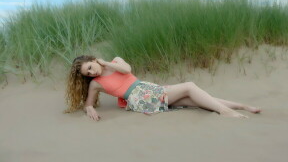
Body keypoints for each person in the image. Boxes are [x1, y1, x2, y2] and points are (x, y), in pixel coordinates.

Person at [64, 55, 261, 121]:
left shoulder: (115, 61)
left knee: (193, 99)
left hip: (148, 89)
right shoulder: (97, 84)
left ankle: (241, 106)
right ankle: (225, 111)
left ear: (93, 59)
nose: (91, 73)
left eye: (90, 67)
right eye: (87, 74)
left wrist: (106, 63)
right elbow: (88, 103)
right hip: (140, 98)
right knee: (190, 86)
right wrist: (89, 108)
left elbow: (127, 69)